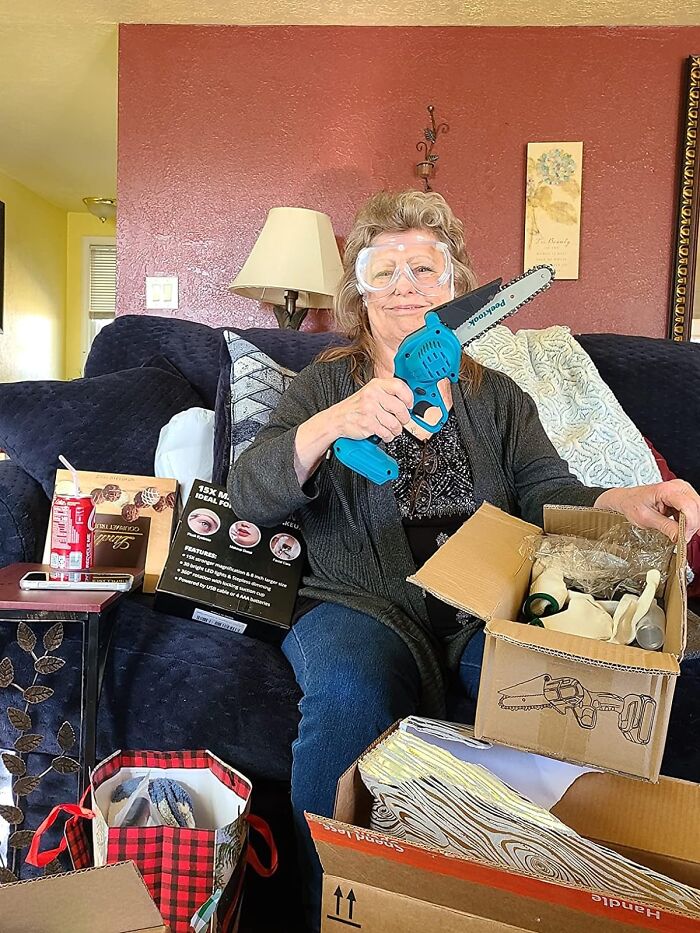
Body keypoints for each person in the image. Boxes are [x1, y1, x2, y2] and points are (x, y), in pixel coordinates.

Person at [229, 189, 700, 930]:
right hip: (356, 603)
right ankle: (327, 909)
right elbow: (248, 493)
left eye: (427, 268)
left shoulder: (498, 397)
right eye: (386, 269)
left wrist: (624, 502)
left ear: (455, 289)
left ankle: (514, 901)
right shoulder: (324, 383)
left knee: (550, 687)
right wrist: (333, 422)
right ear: (358, 290)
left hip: (485, 605)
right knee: (350, 689)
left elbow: (553, 493)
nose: (408, 286)